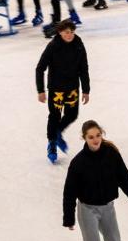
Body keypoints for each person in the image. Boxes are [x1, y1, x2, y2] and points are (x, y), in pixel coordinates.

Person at [36, 19, 91, 163]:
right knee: (54, 116)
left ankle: (57, 132)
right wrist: (40, 90)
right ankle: (52, 144)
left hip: (72, 88)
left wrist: (86, 90)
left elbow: (84, 68)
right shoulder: (53, 46)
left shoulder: (78, 45)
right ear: (60, 32)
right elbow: (40, 68)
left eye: (72, 32)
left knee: (72, 114)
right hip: (56, 89)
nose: (70, 35)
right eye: (67, 32)